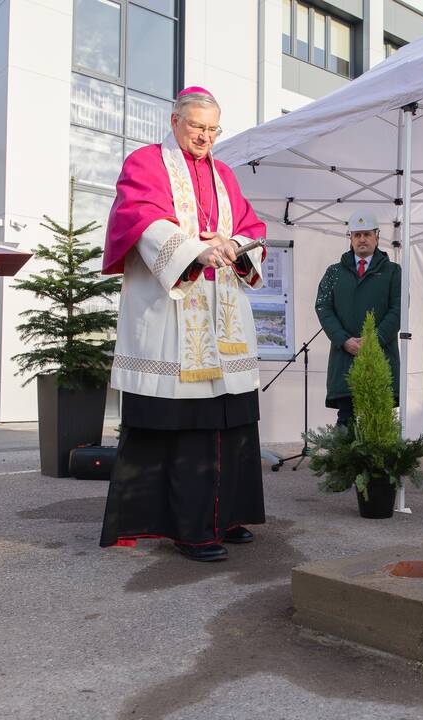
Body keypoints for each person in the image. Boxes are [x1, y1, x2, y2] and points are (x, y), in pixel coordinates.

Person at [100, 86, 268, 563]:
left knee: (230, 417)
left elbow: (253, 229)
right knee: (184, 421)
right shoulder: (145, 163)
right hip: (170, 311)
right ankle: (187, 527)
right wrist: (196, 250)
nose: (205, 137)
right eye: (197, 127)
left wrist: (232, 244)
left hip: (224, 315)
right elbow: (139, 217)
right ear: (175, 121)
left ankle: (226, 515)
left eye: (214, 129)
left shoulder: (226, 174)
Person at [315, 209, 401, 426]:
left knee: (379, 424)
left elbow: (399, 309)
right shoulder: (334, 272)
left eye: (367, 234)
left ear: (377, 236)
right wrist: (343, 340)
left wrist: (374, 340)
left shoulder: (393, 272)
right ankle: (345, 462)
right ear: (351, 238)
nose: (362, 239)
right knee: (346, 422)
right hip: (345, 358)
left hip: (381, 358)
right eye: (357, 235)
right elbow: (323, 307)